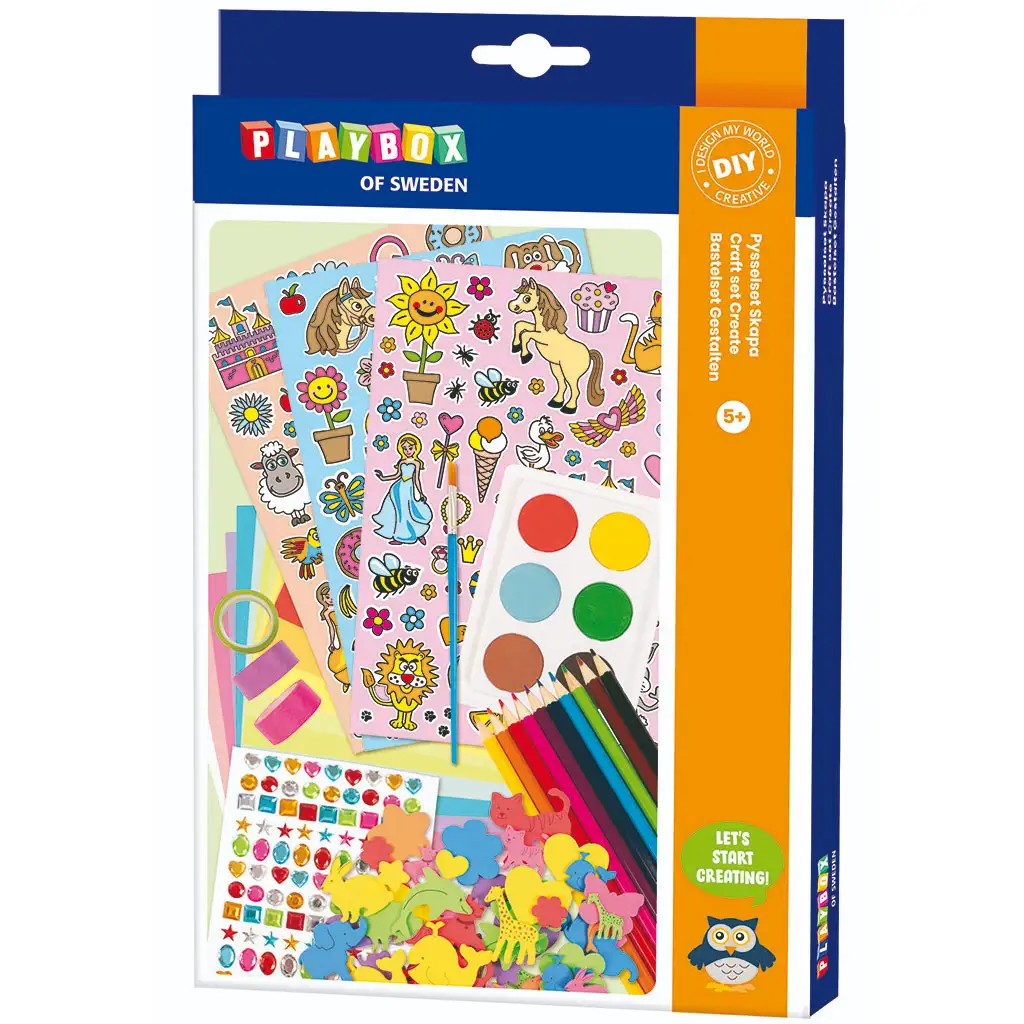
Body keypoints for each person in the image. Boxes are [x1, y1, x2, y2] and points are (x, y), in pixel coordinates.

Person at [371, 433, 433, 544]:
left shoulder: (416, 463)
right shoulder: (402, 462)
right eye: (405, 448)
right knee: (400, 512)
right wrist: (383, 478)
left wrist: (421, 493)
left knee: (413, 511)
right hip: (397, 489)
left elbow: (417, 479)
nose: (407, 451)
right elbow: (396, 475)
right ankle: (400, 536)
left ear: (416, 448)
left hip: (410, 489)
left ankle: (418, 533)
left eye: (410, 448)